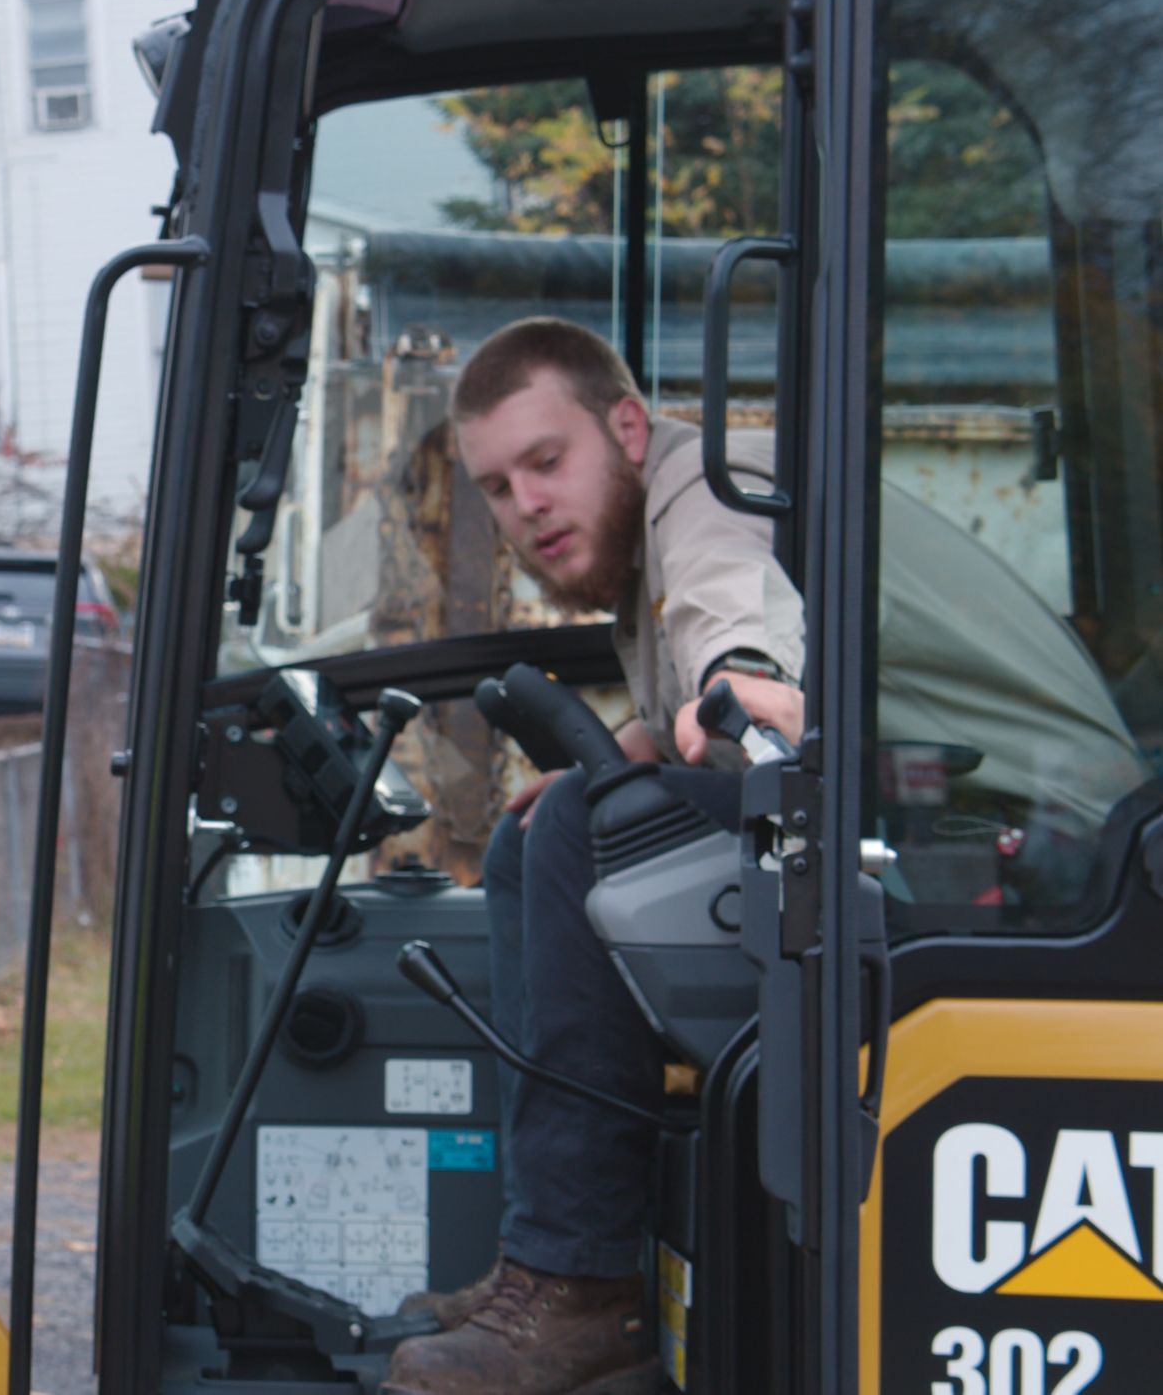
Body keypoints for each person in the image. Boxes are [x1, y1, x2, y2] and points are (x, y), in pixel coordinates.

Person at [380, 319, 1143, 1395]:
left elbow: (729, 607)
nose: (524, 506)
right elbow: (688, 682)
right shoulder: (633, 561)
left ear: (630, 428)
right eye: (498, 487)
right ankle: (548, 1255)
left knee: (575, 839)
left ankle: (578, 1281)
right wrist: (627, 749)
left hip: (1051, 847)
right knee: (535, 836)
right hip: (943, 815)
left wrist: (739, 677)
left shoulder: (703, 483)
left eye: (546, 462)